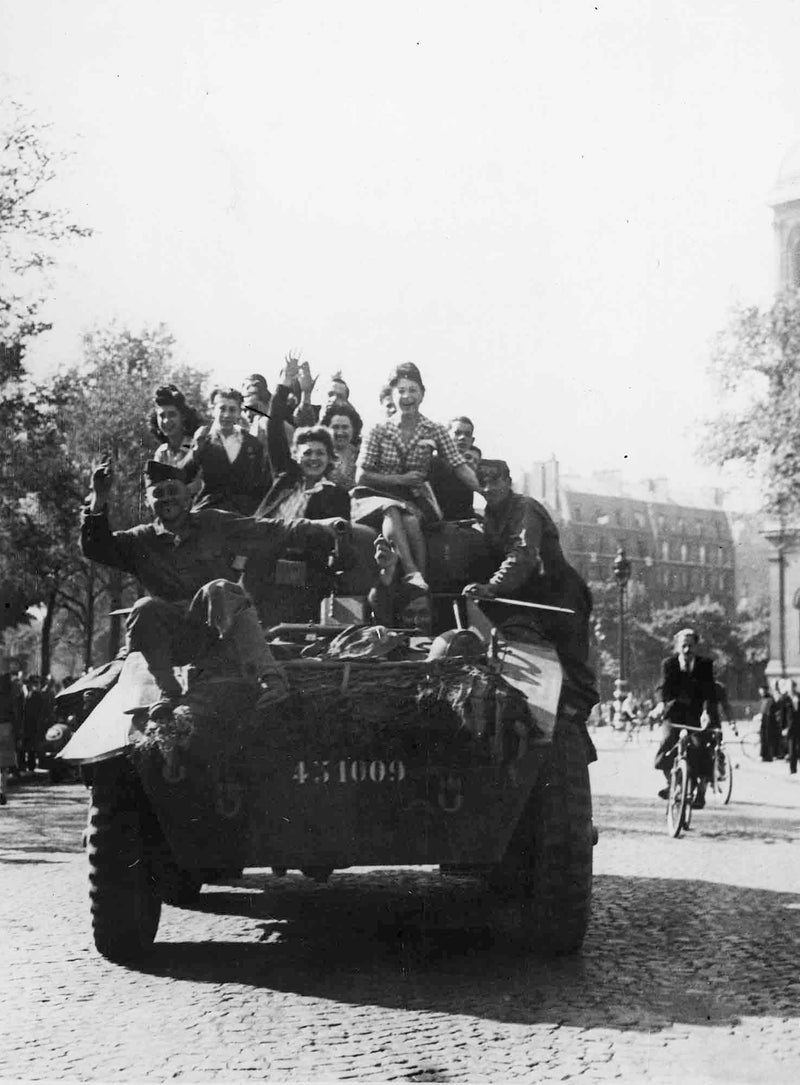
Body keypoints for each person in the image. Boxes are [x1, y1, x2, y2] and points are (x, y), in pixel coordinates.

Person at [81, 458, 346, 717]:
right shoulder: (140, 540)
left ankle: (271, 680)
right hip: (179, 641)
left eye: (173, 491)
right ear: (149, 501)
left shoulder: (214, 523)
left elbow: (268, 530)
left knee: (218, 588)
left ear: (188, 497)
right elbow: (96, 547)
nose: (167, 499)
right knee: (143, 608)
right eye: (158, 494)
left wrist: (318, 526)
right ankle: (169, 692)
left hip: (224, 632)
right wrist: (99, 498)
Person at [461, 458, 598, 735]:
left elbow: (522, 555)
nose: (489, 488)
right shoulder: (490, 515)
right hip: (532, 596)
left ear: (508, 482)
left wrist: (491, 587)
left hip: (561, 594)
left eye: (495, 480)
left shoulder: (524, 508)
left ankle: (572, 728)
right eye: (483, 482)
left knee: (571, 663)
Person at [353, 362, 480, 590]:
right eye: (400, 391)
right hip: (372, 495)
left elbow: (459, 465)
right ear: (392, 395)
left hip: (411, 499)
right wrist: (401, 480)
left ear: (422, 394)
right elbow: (361, 476)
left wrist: (485, 491)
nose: (407, 396)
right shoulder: (378, 429)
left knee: (410, 521)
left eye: (412, 390)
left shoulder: (435, 429)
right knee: (391, 508)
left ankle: (419, 586)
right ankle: (411, 571)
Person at [653, 628, 719, 807]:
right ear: (677, 647)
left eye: (690, 646)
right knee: (666, 743)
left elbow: (709, 692)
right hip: (673, 714)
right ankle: (671, 782)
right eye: (684, 646)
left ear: (696, 646)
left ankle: (701, 792)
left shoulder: (705, 665)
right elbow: (662, 687)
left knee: (701, 749)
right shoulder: (669, 664)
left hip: (696, 716)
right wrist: (660, 704)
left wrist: (706, 712)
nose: (687, 650)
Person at [182, 386, 268, 515]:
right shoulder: (204, 439)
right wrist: (196, 450)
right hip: (208, 511)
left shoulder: (252, 443)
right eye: (222, 409)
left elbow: (260, 484)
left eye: (232, 410)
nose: (227, 415)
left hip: (242, 515)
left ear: (239, 412)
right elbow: (185, 476)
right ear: (213, 410)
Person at [431, 417, 480, 521]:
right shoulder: (433, 464)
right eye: (457, 433)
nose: (462, 438)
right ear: (446, 436)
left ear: (472, 441)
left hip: (464, 525)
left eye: (468, 434)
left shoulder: (469, 469)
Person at [149, 384, 203, 469]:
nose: (166, 420)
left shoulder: (195, 447)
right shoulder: (162, 453)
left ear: (183, 416)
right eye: (162, 416)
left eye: (172, 414)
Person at [319, 401, 363, 489]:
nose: (340, 432)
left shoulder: (361, 454)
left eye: (345, 427)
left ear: (354, 429)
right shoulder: (320, 454)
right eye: (335, 427)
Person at [292, 363, 352, 428]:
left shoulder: (348, 430)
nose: (334, 399)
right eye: (330, 394)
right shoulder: (311, 416)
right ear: (323, 397)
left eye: (339, 396)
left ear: (346, 402)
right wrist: (306, 393)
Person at [779, 679, 800, 774]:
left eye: (792, 686)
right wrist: (783, 728)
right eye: (789, 686)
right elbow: (782, 715)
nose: (791, 688)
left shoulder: (799, 696)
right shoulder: (785, 699)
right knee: (792, 749)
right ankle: (793, 769)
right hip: (790, 727)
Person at [758, 683, 779, 761]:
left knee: (767, 738)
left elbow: (766, 709)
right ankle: (764, 755)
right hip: (765, 719)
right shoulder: (764, 698)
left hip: (769, 720)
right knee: (763, 738)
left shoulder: (769, 698)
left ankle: (768, 756)